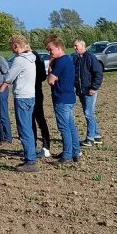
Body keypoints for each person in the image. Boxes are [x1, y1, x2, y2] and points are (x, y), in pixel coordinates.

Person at [0, 35, 39, 172]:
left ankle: (30, 161)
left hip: (21, 97)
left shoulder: (19, 60)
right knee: (28, 127)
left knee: (24, 128)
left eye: (12, 47)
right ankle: (31, 155)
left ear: (16, 46)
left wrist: (2, 87)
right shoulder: (31, 58)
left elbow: (9, 77)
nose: (12, 50)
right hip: (31, 96)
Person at [46, 35, 81, 164]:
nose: (49, 52)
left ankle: (67, 155)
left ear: (59, 47)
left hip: (61, 98)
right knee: (71, 126)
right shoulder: (68, 59)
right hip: (69, 97)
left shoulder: (60, 62)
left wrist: (50, 65)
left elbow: (50, 81)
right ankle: (75, 151)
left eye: (51, 49)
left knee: (64, 127)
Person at [73, 39, 104, 147]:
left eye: (76, 46)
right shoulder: (77, 59)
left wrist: (94, 88)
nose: (74, 48)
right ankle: (97, 136)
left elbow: (98, 73)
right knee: (89, 113)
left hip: (89, 91)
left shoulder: (90, 58)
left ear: (83, 45)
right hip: (81, 91)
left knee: (88, 113)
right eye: (74, 46)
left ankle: (90, 138)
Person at [32, 51, 52, 158]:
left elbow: (43, 77)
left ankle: (45, 145)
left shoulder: (35, 59)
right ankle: (35, 146)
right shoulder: (38, 59)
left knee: (39, 120)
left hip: (36, 93)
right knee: (35, 121)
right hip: (36, 92)